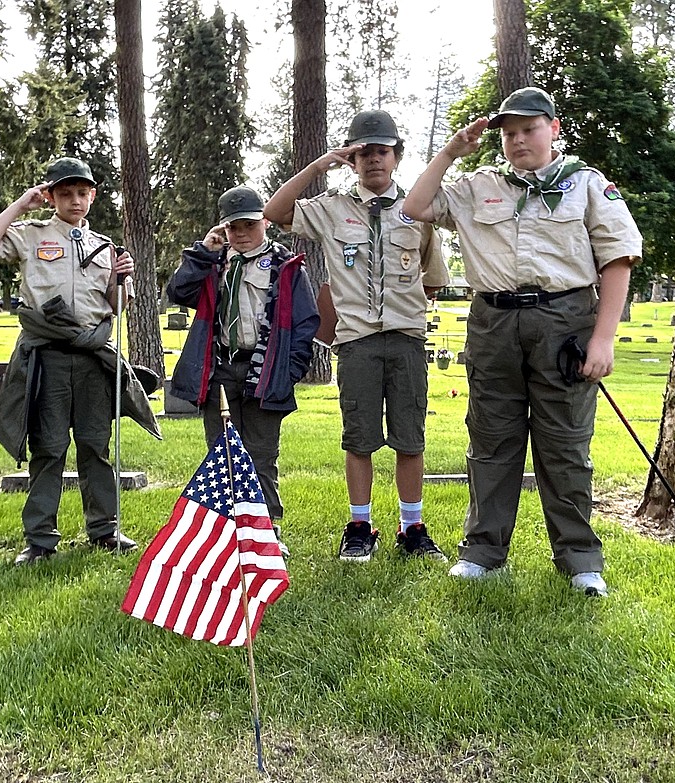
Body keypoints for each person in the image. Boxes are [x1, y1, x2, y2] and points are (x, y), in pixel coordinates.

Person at [403, 87, 643, 597]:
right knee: (491, 439)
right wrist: (449, 153)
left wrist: (603, 340)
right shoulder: (477, 186)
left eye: (528, 129)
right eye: (508, 133)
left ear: (553, 129)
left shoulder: (586, 184)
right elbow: (416, 204)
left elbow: (617, 260)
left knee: (565, 444)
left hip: (565, 322)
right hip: (494, 324)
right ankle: (484, 551)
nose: (517, 140)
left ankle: (580, 558)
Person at [265, 109, 449, 563]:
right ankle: (360, 526)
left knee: (411, 437)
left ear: (396, 158)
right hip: (357, 342)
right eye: (363, 153)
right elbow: (275, 212)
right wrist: (319, 165)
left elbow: (432, 278)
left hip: (406, 340)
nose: (372, 161)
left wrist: (402, 308)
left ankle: (413, 527)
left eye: (381, 152)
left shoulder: (418, 209)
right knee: (359, 437)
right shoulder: (332, 208)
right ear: (353, 158)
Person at [0, 156, 144, 566]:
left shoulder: (106, 247)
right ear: (50, 196)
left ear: (93, 196)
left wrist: (123, 277)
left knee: (94, 445)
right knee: (48, 447)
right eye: (65, 193)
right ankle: (40, 539)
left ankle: (104, 529)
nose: (75, 201)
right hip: (47, 356)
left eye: (82, 193)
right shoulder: (31, 235)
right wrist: (19, 205)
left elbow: (116, 307)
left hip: (91, 357)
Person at [166, 185, 320, 557]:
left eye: (249, 224)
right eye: (234, 227)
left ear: (264, 221)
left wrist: (290, 371)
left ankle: (266, 533)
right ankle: (228, 534)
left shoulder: (286, 266)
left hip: (264, 370)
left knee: (261, 455)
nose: (242, 233)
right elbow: (177, 291)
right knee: (222, 457)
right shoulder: (215, 263)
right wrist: (205, 250)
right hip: (220, 369)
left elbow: (305, 323)